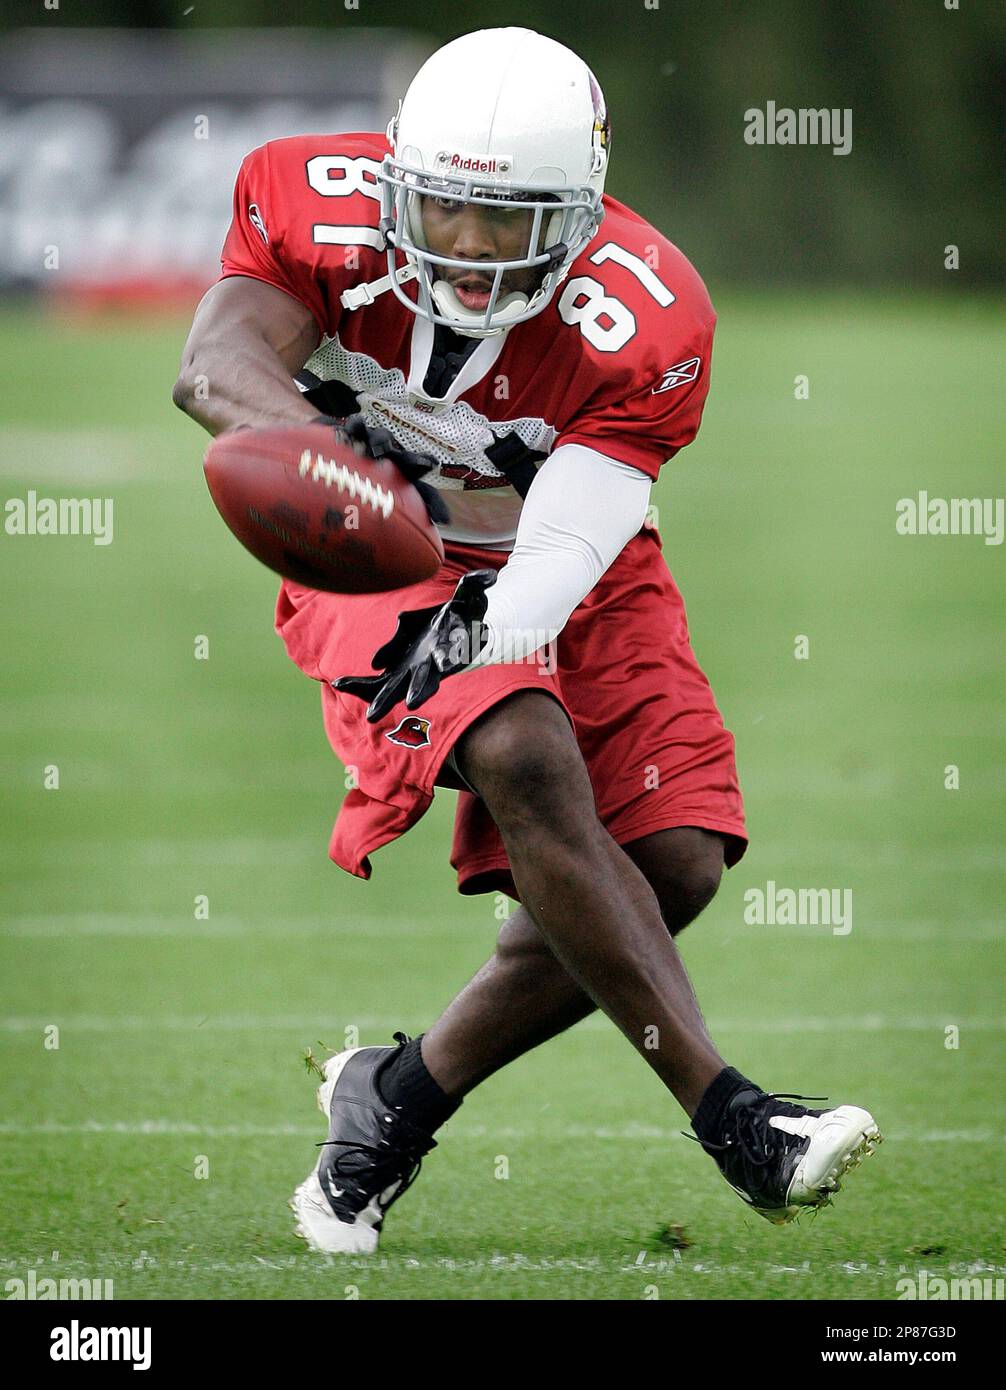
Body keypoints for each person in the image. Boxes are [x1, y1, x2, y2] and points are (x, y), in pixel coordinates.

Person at [173, 27, 880, 1254]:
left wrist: (494, 633)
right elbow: (214, 362)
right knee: (522, 746)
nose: (464, 247)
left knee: (673, 863)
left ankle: (390, 1101)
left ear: (580, 215)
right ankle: (733, 1119)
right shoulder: (311, 205)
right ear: (398, 183)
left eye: (505, 222)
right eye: (442, 210)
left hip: (556, 559)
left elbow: (554, 563)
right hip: (374, 546)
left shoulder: (647, 319)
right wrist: (329, 473)